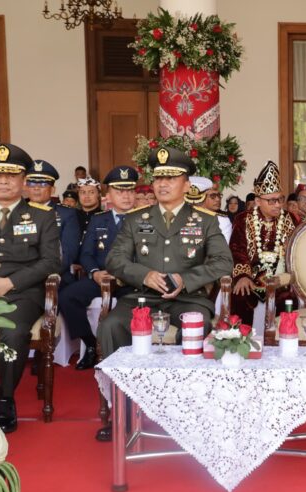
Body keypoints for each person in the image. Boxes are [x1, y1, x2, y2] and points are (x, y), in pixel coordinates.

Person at [96, 146, 233, 439]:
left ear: (186, 184)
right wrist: (144, 274)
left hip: (188, 299)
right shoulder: (135, 219)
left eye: (171, 178)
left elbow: (224, 262)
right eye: (158, 178)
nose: (162, 184)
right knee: (110, 325)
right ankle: (123, 409)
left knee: (194, 327)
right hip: (140, 297)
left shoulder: (205, 220)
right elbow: (114, 260)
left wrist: (185, 280)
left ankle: (187, 410)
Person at [0, 143, 61, 433]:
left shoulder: (42, 216)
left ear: (22, 181)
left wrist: (9, 282)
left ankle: (5, 399)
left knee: (15, 331)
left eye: (11, 175)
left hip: (22, 291)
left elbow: (51, 262)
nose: (3, 181)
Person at [61, 166, 139, 370]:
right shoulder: (98, 219)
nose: (126, 196)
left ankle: (125, 350)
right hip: (102, 277)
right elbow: (85, 253)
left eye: (130, 191)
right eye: (120, 191)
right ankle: (89, 344)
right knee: (67, 297)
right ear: (109, 195)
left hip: (133, 281)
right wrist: (95, 273)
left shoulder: (144, 220)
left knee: (129, 310)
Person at [228, 161, 298, 326]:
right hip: (251, 275)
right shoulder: (243, 219)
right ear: (258, 201)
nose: (278, 204)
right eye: (271, 201)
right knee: (241, 293)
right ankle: (240, 342)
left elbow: (296, 251)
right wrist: (243, 276)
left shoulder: (291, 218)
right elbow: (237, 250)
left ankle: (285, 341)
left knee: (287, 297)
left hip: (281, 277)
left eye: (280, 199)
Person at [24, 160, 81, 288]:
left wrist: (39, 275)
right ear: (26, 187)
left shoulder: (67, 214)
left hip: (55, 276)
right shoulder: (18, 213)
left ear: (53, 189)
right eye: (32, 183)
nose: (37, 188)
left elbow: (68, 254)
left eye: (43, 184)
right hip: (22, 277)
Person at [187, 175, 233, 240]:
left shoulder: (221, 221)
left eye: (219, 195)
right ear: (201, 197)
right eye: (213, 196)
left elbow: (220, 248)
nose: (218, 199)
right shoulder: (182, 217)